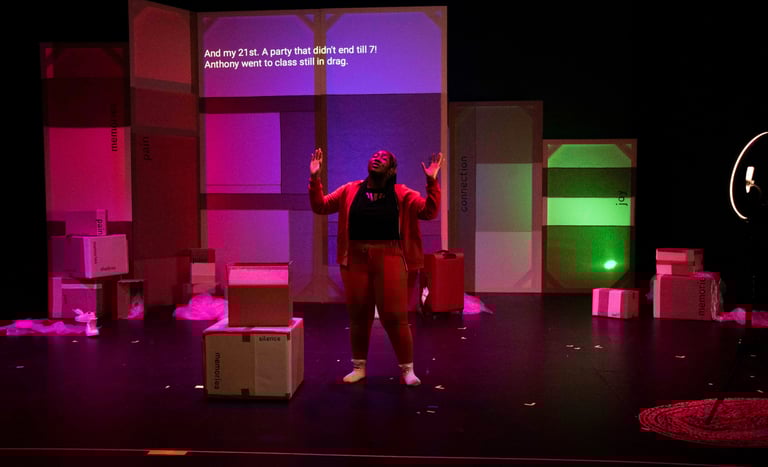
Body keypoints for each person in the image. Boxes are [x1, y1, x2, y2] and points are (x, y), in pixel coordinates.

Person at [308, 148, 443, 386]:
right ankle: (358, 367)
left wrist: (432, 182)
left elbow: (429, 212)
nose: (377, 159)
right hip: (355, 259)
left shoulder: (401, 193)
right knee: (359, 315)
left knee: (395, 316)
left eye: (384, 158)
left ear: (392, 169)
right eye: (375, 156)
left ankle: (407, 370)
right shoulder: (350, 190)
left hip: (390, 256)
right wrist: (315, 178)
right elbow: (320, 206)